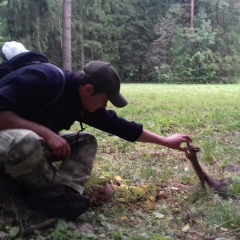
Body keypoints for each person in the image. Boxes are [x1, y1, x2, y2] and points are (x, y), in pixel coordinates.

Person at [0, 57, 192, 219]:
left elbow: (118, 126)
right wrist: (46, 133)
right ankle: (46, 198)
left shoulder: (78, 100)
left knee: (86, 141)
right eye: (104, 100)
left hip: (22, 143)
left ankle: (64, 193)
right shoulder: (45, 80)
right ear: (88, 89)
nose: (104, 105)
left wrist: (164, 140)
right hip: (14, 139)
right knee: (27, 142)